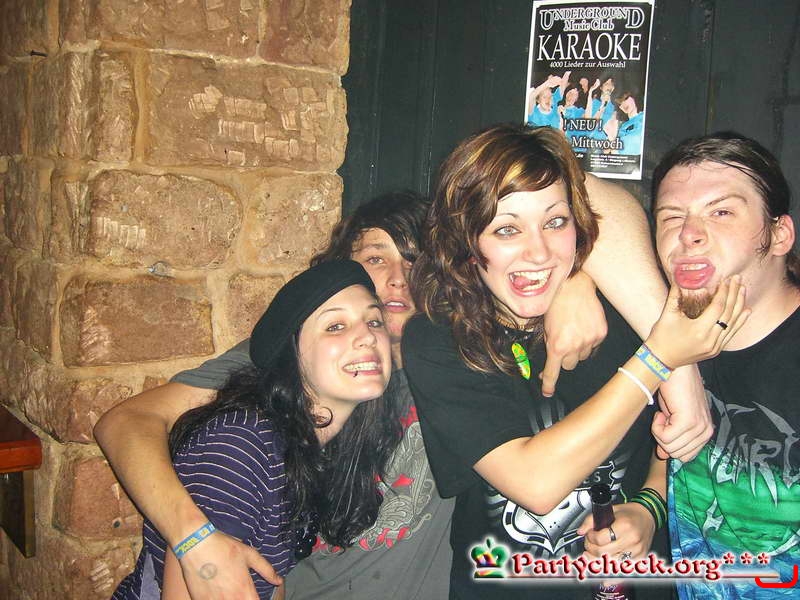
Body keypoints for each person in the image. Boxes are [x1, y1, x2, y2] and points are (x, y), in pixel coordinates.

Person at [97, 171, 714, 596]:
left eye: (413, 259)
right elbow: (126, 421)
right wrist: (195, 537)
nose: (396, 278)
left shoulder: (461, 352)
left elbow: (586, 193)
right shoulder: (304, 355)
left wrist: (576, 276)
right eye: (375, 257)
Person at [401, 124, 749, 600]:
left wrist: (649, 507)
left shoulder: (623, 306)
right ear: (466, 241)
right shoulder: (439, 339)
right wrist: (660, 359)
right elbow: (535, 481)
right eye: (506, 229)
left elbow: (667, 442)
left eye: (555, 222)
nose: (539, 252)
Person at [112, 259, 398, 599]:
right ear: (292, 355)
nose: (367, 336)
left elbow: (272, 580)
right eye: (335, 326)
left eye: (374, 321)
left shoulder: (315, 449)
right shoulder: (241, 444)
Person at [652, 132, 800, 598]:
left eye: (721, 212)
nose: (688, 233)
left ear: (779, 235)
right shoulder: (664, 334)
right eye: (671, 216)